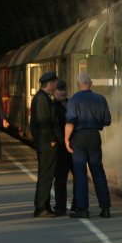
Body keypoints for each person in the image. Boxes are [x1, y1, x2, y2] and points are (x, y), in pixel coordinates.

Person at [65, 71, 112, 218]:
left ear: (79, 84)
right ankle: (105, 209)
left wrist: (67, 139)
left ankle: (82, 209)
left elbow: (70, 122)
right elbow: (107, 120)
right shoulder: (100, 99)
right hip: (94, 136)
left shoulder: (73, 100)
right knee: (98, 171)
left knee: (80, 173)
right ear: (90, 84)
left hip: (78, 138)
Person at [30, 72, 60, 218]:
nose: (56, 85)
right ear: (49, 84)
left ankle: (45, 205)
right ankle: (41, 208)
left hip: (44, 143)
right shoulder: (42, 99)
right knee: (46, 175)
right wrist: (52, 139)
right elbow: (44, 122)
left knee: (46, 175)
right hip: (46, 144)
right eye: (55, 83)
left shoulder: (42, 98)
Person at [52, 80, 71, 216]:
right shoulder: (52, 107)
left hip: (72, 147)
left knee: (78, 177)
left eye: (64, 89)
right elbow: (54, 127)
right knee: (60, 179)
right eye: (59, 89)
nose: (62, 92)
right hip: (60, 148)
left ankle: (77, 205)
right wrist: (61, 141)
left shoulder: (72, 103)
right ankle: (60, 207)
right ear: (54, 91)